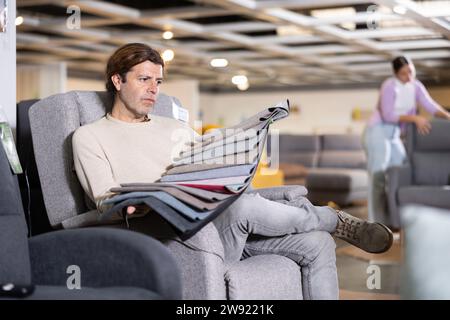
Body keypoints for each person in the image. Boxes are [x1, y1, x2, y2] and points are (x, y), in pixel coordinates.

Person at [72, 43, 394, 300]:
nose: (153, 90)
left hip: (220, 221)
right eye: (144, 80)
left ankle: (321, 223)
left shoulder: (173, 126)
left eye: (158, 82)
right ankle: (331, 219)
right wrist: (141, 202)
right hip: (171, 234)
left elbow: (204, 164)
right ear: (117, 80)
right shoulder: (89, 136)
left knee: (316, 244)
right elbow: (104, 199)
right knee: (243, 206)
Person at [364, 56, 450, 228]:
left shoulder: (416, 86)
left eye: (411, 71)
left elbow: (430, 105)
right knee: (378, 177)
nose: (408, 76)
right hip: (378, 131)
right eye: (403, 74)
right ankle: (376, 224)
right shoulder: (389, 86)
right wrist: (414, 118)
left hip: (394, 134)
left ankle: (394, 219)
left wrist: (448, 116)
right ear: (396, 74)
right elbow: (388, 115)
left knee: (404, 166)